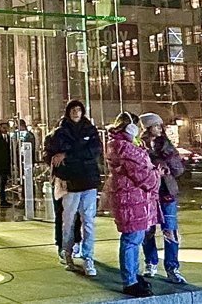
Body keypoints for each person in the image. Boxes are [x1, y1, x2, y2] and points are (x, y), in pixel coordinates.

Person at [107, 112, 160, 298]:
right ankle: (130, 281)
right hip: (131, 200)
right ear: (130, 127)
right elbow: (143, 174)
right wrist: (156, 177)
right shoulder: (125, 148)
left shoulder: (126, 146)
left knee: (134, 239)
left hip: (134, 201)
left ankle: (133, 277)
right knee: (131, 240)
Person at [49, 100, 102, 277]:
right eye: (73, 110)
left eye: (79, 109)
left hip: (88, 181)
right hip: (70, 181)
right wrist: (70, 156)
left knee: (88, 221)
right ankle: (67, 252)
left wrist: (68, 155)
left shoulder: (90, 129)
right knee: (68, 221)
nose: (76, 112)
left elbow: (93, 151)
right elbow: (53, 154)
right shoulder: (60, 132)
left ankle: (88, 257)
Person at [139, 113, 187, 285]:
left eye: (160, 125)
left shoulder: (167, 145)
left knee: (170, 230)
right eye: (156, 125)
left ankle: (172, 268)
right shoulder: (139, 145)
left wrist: (168, 162)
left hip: (167, 192)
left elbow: (179, 169)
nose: (160, 128)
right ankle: (150, 262)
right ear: (148, 127)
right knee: (147, 231)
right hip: (149, 193)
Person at [44, 130, 81, 261]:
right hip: (61, 181)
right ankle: (63, 244)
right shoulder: (52, 139)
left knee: (75, 214)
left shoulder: (77, 139)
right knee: (62, 214)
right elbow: (48, 158)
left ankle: (74, 242)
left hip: (74, 179)